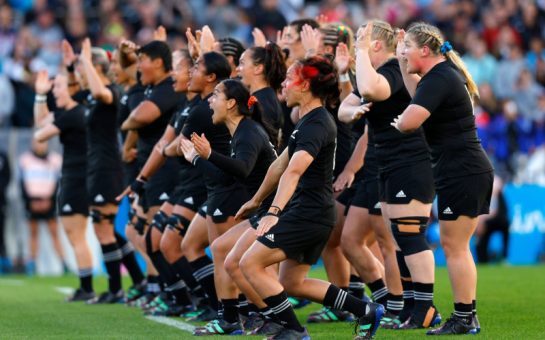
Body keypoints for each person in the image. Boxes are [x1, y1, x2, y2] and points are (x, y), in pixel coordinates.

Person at [237, 56, 383, 340]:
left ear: (304, 86)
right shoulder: (308, 122)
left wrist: (272, 211)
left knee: (249, 263)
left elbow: (293, 171)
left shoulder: (316, 124)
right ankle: (365, 310)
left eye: (289, 78)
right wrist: (257, 201)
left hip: (309, 213)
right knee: (291, 283)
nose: (284, 84)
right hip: (313, 212)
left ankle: (293, 331)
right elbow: (279, 166)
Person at [393, 22, 494, 335]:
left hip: (462, 171)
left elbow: (410, 119)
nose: (405, 52)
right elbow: (416, 98)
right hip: (460, 170)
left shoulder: (440, 78)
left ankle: (465, 317)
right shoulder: (437, 77)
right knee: (455, 246)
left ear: (425, 50)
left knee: (455, 247)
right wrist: (400, 60)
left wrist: (400, 123)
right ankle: (466, 316)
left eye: (407, 47)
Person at [342, 20, 439, 329]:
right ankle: (410, 307)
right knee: (400, 238)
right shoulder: (377, 72)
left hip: (410, 163)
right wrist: (353, 110)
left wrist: (358, 49)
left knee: (410, 237)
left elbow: (369, 90)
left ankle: (425, 308)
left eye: (362, 40)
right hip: (386, 164)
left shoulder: (395, 70)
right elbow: (346, 107)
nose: (358, 45)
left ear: (374, 45)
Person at [179, 79, 277, 335]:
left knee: (253, 266)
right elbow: (229, 174)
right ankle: (237, 317)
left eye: (216, 96)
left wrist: (206, 156)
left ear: (231, 103)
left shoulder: (247, 132)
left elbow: (242, 170)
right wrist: (199, 158)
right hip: (266, 208)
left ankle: (263, 315)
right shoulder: (243, 131)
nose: (210, 102)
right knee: (224, 251)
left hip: (274, 211)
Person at [33, 71, 95, 301]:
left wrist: (41, 99)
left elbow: (40, 135)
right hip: (76, 176)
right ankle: (86, 286)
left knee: (76, 234)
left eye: (58, 86)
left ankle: (87, 288)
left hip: (77, 177)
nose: (54, 90)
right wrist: (40, 97)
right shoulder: (70, 112)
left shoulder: (74, 114)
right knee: (75, 234)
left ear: (71, 88)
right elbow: (41, 121)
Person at [18, 139, 65, 275]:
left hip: (49, 202)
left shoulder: (55, 159)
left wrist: (49, 200)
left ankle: (63, 263)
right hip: (32, 202)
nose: (39, 146)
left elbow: (58, 183)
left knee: (54, 233)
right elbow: (21, 183)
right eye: (37, 143)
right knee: (33, 233)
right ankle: (31, 265)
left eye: (42, 143)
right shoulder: (25, 160)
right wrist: (30, 201)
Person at [0, 148, 11, 273]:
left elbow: (8, 176)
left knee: (1, 234)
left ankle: (4, 265)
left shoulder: (2, 155)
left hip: (0, 202)